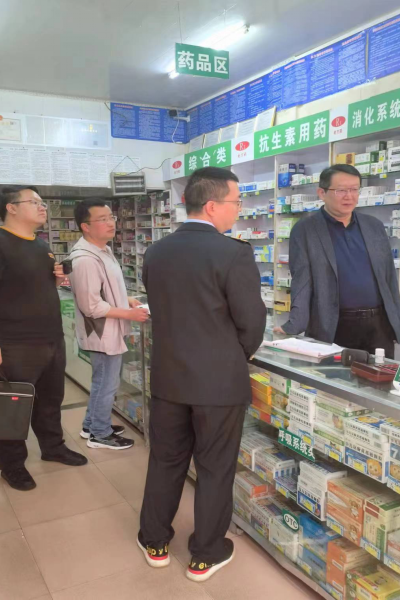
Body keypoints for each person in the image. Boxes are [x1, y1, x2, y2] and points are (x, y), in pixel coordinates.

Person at [138, 167, 266, 582]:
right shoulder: (233, 253)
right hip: (218, 384)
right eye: (236, 202)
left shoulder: (157, 252)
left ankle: (155, 541)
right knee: (214, 467)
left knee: (165, 460)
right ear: (212, 206)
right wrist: (230, 356)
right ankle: (205, 554)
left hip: (169, 378)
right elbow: (251, 323)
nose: (239, 209)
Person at [0, 185, 87, 492]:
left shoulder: (41, 244)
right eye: (33, 202)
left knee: (50, 400)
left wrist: (57, 278)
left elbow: (36, 286)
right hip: (14, 342)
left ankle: (53, 447)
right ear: (11, 208)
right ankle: (11, 464)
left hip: (51, 338)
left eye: (41, 202)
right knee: (12, 407)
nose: (42, 206)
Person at [275, 164, 400, 358]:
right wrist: (294, 324)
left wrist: (395, 322)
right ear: (322, 193)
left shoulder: (374, 226)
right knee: (334, 376)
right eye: (341, 190)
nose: (349, 196)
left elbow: (389, 278)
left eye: (354, 189)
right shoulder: (305, 229)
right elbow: (302, 281)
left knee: (380, 375)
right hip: (333, 325)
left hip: (379, 325)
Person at [68, 198, 148, 451]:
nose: (111, 223)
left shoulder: (103, 251)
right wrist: (127, 313)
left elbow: (107, 289)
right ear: (86, 226)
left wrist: (127, 300)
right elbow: (91, 306)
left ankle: (91, 425)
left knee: (103, 382)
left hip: (108, 329)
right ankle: (100, 434)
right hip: (101, 332)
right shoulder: (85, 260)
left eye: (111, 217)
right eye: (102, 219)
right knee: (106, 384)